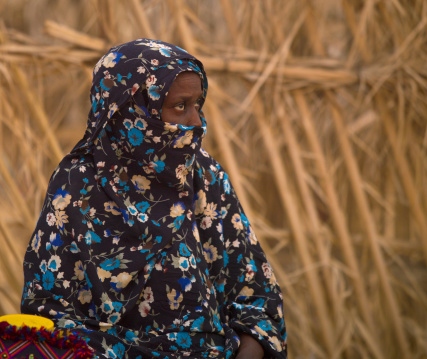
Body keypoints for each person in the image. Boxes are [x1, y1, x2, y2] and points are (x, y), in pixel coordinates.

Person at [21, 39, 287, 359]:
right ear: (134, 109)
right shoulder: (78, 184)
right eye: (180, 105)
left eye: (197, 104)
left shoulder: (202, 175)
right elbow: (46, 313)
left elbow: (256, 298)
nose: (196, 121)